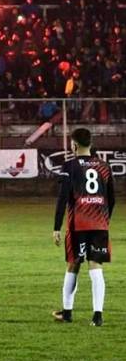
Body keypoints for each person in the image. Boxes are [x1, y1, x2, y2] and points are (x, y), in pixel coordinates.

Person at [52, 128, 115, 327]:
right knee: (96, 267)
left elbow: (63, 198)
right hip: (99, 224)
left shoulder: (70, 166)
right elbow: (112, 199)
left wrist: (56, 226)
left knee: (73, 264)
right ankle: (97, 316)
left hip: (78, 223)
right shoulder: (104, 166)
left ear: (74, 145)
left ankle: (68, 312)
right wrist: (105, 219)